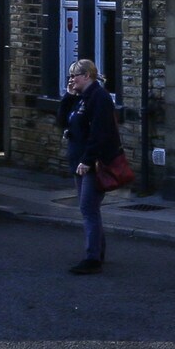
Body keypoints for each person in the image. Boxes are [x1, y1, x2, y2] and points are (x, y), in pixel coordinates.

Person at [58, 58, 121, 275]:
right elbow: (62, 121)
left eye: (74, 75)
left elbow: (100, 133)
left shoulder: (99, 97)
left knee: (88, 208)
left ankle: (92, 258)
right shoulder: (81, 97)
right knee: (89, 208)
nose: (71, 79)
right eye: (70, 76)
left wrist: (87, 160)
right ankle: (97, 252)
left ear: (87, 76)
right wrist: (68, 96)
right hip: (79, 162)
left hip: (93, 163)